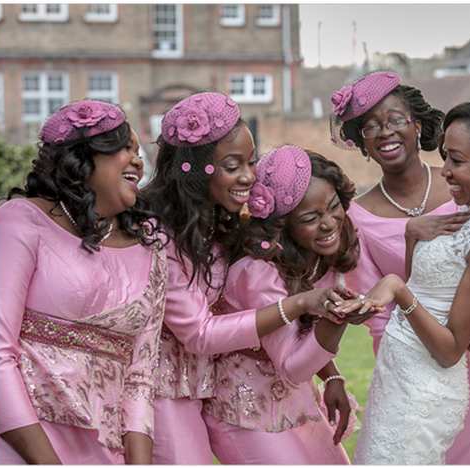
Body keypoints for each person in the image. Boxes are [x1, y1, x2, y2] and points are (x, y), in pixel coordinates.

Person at [331, 71, 470, 463]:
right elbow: (381, 312)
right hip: (422, 368)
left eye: (394, 119)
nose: (384, 132)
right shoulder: (357, 216)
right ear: (360, 141)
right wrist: (406, 377)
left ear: (417, 125)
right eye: (370, 126)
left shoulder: (466, 182)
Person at [141, 93, 350, 464]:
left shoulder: (218, 219)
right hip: (163, 387)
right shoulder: (159, 235)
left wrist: (330, 374)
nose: (248, 177)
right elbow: (200, 333)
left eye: (250, 162)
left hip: (208, 385)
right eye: (233, 165)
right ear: (193, 168)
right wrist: (298, 304)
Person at [0, 100, 166, 463]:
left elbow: (140, 377)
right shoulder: (20, 222)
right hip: (17, 444)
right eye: (125, 148)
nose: (138, 160)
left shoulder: (151, 247)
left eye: (139, 152)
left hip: (105, 452)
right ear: (84, 157)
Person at [203, 145, 379, 463]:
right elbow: (293, 365)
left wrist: (333, 376)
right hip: (244, 411)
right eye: (311, 218)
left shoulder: (319, 253)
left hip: (295, 400)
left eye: (334, 206)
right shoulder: (256, 271)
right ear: (283, 225)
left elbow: (301, 336)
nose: (329, 223)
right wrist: (336, 318)